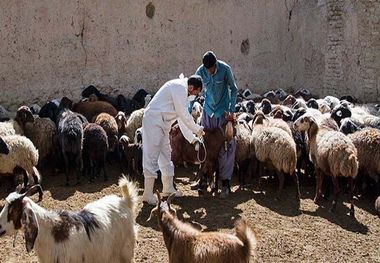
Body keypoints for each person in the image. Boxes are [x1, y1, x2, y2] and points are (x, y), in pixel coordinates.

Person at [142, 75, 205, 205]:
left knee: (166, 154)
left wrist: (193, 139)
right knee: (151, 155)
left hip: (163, 124)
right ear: (191, 87)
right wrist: (197, 128)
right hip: (154, 121)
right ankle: (147, 194)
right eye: (196, 92)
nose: (196, 95)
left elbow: (182, 120)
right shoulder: (178, 88)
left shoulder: (183, 95)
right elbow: (184, 114)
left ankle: (168, 188)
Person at [195, 51, 238, 198]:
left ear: (216, 64)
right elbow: (194, 91)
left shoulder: (225, 69)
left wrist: (231, 110)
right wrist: (188, 111)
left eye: (212, 69)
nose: (210, 71)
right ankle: (204, 178)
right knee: (205, 144)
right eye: (207, 69)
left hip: (223, 113)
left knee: (226, 146)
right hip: (207, 112)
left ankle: (225, 183)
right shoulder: (200, 71)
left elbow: (234, 89)